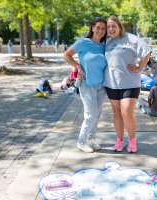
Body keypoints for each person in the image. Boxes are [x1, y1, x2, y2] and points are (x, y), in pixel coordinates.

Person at [104, 16, 151, 153]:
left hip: (130, 83)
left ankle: (132, 141)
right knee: (116, 113)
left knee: (126, 113)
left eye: (113, 26)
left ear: (119, 26)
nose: (111, 29)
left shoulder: (130, 38)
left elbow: (146, 51)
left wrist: (140, 68)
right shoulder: (107, 43)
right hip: (111, 83)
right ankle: (119, 140)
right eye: (108, 27)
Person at [63, 18, 108, 153]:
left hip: (101, 86)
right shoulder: (83, 42)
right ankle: (81, 142)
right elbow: (66, 55)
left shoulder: (104, 46)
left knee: (97, 115)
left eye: (103, 29)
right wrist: (78, 67)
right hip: (87, 84)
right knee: (91, 115)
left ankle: (91, 140)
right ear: (92, 28)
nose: (100, 31)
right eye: (98, 27)